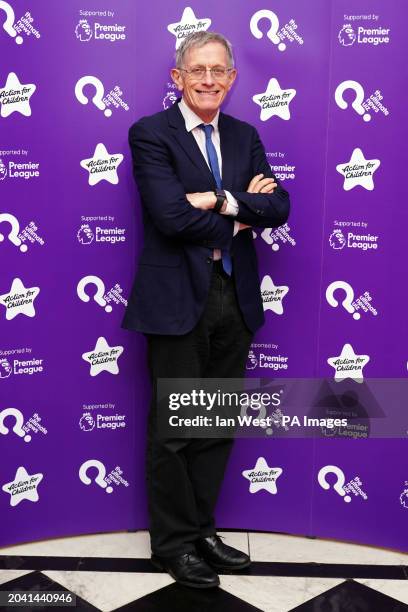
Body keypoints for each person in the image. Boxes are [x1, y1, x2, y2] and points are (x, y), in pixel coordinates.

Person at [122, 31, 290, 588]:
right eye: (198, 71)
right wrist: (245, 213)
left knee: (213, 423)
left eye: (220, 71)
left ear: (234, 78)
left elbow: (280, 205)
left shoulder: (245, 134)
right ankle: (172, 544)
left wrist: (220, 199)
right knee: (174, 427)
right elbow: (170, 218)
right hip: (176, 301)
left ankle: (201, 531)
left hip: (233, 296)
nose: (210, 80)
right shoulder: (150, 133)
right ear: (178, 78)